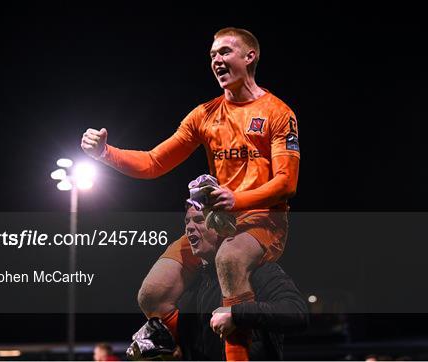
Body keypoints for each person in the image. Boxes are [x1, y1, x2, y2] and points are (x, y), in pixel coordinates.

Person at [81, 27, 300, 361]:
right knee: (151, 294)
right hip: (219, 219)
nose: (217, 60)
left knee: (229, 259)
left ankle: (237, 349)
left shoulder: (278, 113)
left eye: (225, 52)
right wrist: (105, 153)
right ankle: (180, 351)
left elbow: (287, 182)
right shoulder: (204, 115)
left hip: (262, 219)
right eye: (212, 55)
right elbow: (154, 162)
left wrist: (236, 199)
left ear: (250, 56)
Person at [177, 205, 309, 360]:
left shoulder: (257, 270)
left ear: (222, 225)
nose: (189, 228)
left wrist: (236, 314)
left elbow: (296, 312)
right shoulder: (194, 285)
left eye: (199, 220)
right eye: (187, 222)